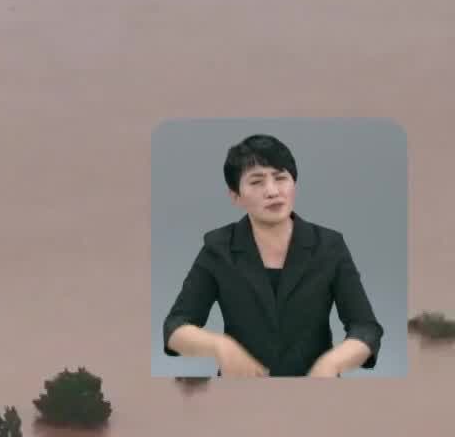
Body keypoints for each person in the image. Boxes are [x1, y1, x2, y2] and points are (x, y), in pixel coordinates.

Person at [162, 133, 383, 377]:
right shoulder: (218, 248)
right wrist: (220, 347)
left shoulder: (329, 245)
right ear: (235, 196)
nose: (272, 191)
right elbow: (175, 327)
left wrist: (333, 363)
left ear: (294, 184)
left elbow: (366, 328)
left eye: (281, 178)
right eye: (256, 182)